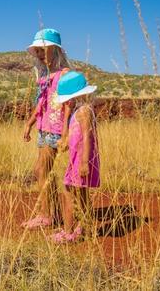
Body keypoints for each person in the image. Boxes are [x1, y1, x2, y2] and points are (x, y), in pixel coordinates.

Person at [21, 28, 73, 229]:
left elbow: (70, 104)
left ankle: (46, 215)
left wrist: (67, 133)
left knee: (41, 169)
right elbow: (41, 103)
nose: (40, 55)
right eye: (37, 52)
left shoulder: (64, 75)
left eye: (43, 50)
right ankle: (50, 213)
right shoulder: (44, 77)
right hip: (44, 128)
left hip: (57, 129)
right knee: (42, 170)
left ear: (55, 50)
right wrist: (29, 122)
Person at [48, 71, 100, 243]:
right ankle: (85, 227)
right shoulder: (80, 110)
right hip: (77, 159)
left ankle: (68, 232)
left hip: (81, 161)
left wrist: (84, 162)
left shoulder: (84, 111)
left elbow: (87, 136)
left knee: (69, 193)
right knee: (81, 194)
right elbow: (73, 135)